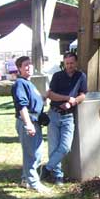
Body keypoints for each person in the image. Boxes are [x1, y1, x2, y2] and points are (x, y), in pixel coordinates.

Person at [40, 52, 87, 186]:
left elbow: (83, 94)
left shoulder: (81, 76)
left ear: (76, 63)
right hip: (54, 114)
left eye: (72, 63)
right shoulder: (57, 76)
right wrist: (66, 98)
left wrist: (72, 102)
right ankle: (58, 176)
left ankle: (47, 168)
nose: (69, 66)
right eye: (67, 63)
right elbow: (50, 95)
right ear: (64, 63)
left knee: (65, 147)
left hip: (68, 116)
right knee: (53, 148)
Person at [11, 56, 50, 193]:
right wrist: (28, 124)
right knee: (32, 153)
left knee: (36, 153)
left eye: (30, 64)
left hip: (36, 121)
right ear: (19, 69)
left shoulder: (29, 83)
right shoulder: (19, 84)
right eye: (25, 65)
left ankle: (26, 179)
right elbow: (22, 106)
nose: (29, 67)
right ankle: (34, 183)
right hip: (28, 121)